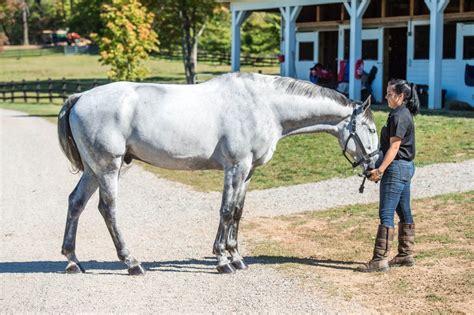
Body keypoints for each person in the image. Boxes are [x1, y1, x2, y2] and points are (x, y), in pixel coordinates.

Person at [357, 79, 420, 273]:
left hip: (396, 168)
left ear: (401, 96)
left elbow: (394, 147)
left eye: (390, 94)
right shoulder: (402, 113)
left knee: (386, 213)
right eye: (386, 93)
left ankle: (379, 260)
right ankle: (405, 254)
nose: (386, 97)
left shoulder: (399, 116)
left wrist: (380, 170)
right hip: (406, 167)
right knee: (403, 211)